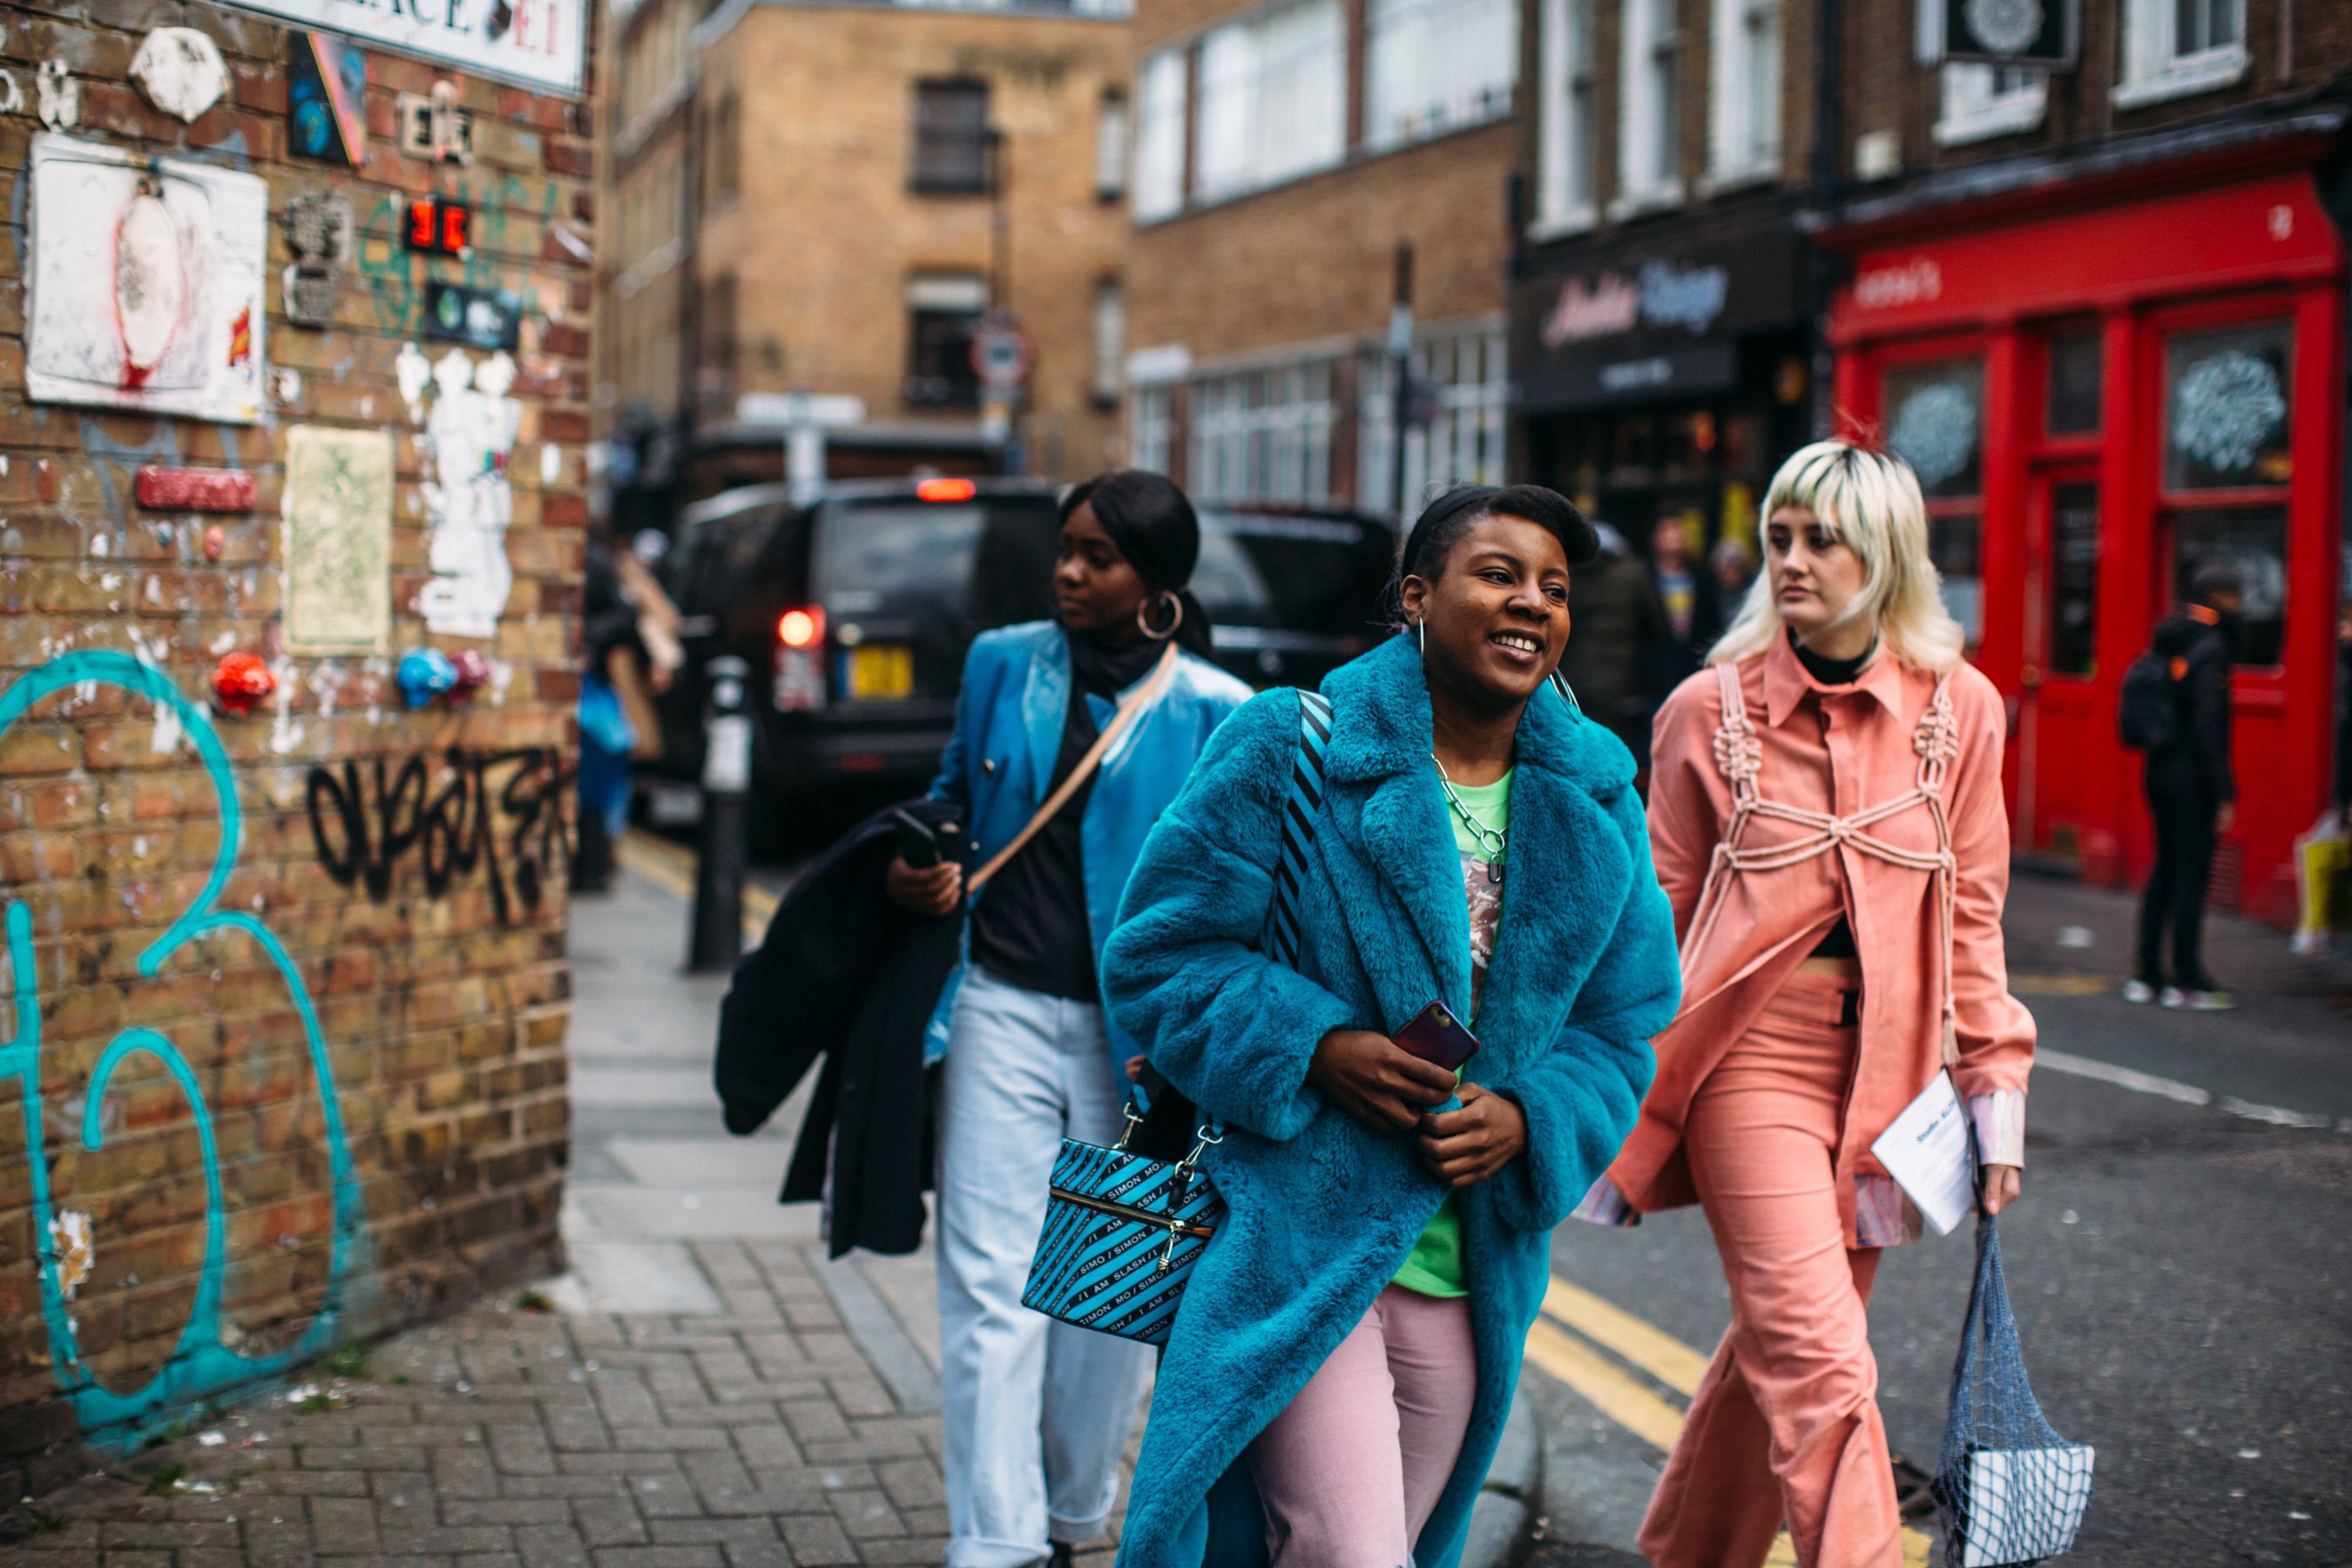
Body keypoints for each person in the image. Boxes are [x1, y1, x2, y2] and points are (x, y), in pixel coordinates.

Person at [1100, 485, 1680, 1568]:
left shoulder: (1597, 798)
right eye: (1498, 574)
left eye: (1553, 587)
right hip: (1297, 1243)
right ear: (1417, 596)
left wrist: (1531, 1118)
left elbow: (1626, 1022)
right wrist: (1312, 1046)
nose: (1532, 604)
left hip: (1471, 1267)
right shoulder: (1292, 745)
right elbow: (1159, 954)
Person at [1587, 441, 2035, 1568]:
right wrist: (1593, 1065)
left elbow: (1973, 919)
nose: (1790, 559)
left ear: (1882, 555)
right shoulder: (1706, 710)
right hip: (1749, 1061)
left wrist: (1996, 1100)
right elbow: (1658, 912)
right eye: (1781, 537)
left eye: (1820, 539)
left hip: (1896, 1078)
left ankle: (1689, 1553)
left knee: (1781, 1347)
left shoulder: (1963, 712)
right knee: (1825, 1367)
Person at [886, 470, 1254, 1568]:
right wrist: (927, 863)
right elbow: (955, 793)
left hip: (1134, 1043)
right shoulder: (1002, 664)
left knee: (1105, 1285)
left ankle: (1070, 1513)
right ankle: (992, 1542)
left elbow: (1239, 898)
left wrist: (1193, 1040)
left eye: (1098, 556)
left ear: (1158, 583)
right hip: (995, 1003)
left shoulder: (1218, 714)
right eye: (1065, 549)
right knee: (990, 1283)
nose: (1068, 571)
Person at [2124, 563, 2241, 1010]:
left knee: (2164, 870)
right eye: (2234, 596)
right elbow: (2207, 724)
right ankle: (2187, 979)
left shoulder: (2171, 633)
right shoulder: (2212, 646)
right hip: (2192, 777)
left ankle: (2147, 974)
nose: (2240, 606)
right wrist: (2225, 791)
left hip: (2158, 770)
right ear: (2220, 596)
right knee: (2191, 875)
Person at [1561, 521, 1670, 769]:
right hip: (1619, 683)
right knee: (1611, 756)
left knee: (1576, 752)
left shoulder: (1567, 574)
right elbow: (1657, 626)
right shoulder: (1633, 573)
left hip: (1573, 678)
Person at [1642, 512, 1726, 718]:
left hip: (1691, 661)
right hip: (1657, 667)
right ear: (1656, 540)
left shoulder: (1701, 577)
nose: (1673, 542)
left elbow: (1711, 621)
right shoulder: (1645, 578)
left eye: (1677, 535)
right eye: (1667, 535)